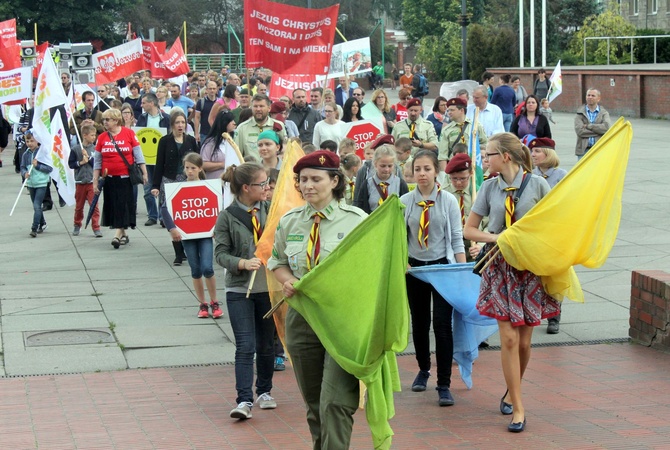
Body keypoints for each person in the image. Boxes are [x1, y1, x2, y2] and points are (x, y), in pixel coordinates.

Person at [267, 150, 367, 449]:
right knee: (314, 404)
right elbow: (277, 262)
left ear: (335, 180)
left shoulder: (357, 221)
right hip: (302, 318)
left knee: (335, 401)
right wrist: (289, 281)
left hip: (342, 320)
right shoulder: (291, 221)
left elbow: (370, 270)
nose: (307, 185)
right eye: (302, 180)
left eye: (315, 179)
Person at [463, 132, 558, 433]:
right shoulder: (489, 187)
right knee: (508, 339)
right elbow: (470, 230)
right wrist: (496, 238)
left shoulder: (538, 184)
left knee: (526, 341)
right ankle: (518, 406)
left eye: (489, 154)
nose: (484, 159)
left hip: (529, 269)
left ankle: (510, 389)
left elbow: (552, 226)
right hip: (499, 266)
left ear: (505, 156)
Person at [401, 150, 465, 406]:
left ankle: (444, 383)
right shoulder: (404, 201)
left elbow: (457, 237)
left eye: (427, 168)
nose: (422, 174)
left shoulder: (448, 200)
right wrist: (403, 261)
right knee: (419, 323)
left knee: (442, 325)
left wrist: (461, 272)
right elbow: (398, 237)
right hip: (415, 270)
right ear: (412, 172)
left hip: (442, 270)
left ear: (435, 171)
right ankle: (423, 368)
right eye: (417, 169)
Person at [214, 162, 276, 419]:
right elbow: (220, 253)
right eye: (262, 184)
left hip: (268, 286)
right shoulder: (227, 216)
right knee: (245, 345)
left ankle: (264, 391)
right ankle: (244, 400)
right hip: (240, 289)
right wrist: (241, 263)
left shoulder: (271, 211)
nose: (267, 187)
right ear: (246, 187)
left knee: (266, 344)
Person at [158, 152, 223, 319]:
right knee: (195, 269)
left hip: (205, 234)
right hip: (187, 235)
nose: (189, 171)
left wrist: (218, 227)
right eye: (187, 168)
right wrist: (172, 229)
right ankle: (202, 303)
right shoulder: (178, 187)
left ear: (200, 168)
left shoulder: (209, 186)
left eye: (193, 168)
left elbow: (217, 208)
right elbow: (165, 209)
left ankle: (214, 301)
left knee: (207, 267)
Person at [93, 108, 148, 249]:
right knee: (114, 206)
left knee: (123, 205)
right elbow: (97, 161)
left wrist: (144, 173)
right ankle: (123, 233)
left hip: (126, 177)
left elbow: (138, 155)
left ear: (116, 120)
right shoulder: (102, 137)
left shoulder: (129, 133)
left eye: (108, 119)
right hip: (109, 178)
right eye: (104, 120)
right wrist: (95, 182)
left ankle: (117, 235)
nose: (105, 122)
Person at [151, 109, 199, 265]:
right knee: (171, 216)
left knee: (187, 214)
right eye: (177, 122)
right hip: (169, 181)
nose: (180, 125)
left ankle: (188, 248)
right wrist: (155, 185)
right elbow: (159, 164)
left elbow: (198, 163)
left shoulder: (191, 141)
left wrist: (199, 181)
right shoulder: (164, 141)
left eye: (183, 122)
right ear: (172, 124)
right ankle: (179, 253)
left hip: (187, 181)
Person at [136, 93, 171, 226]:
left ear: (151, 103)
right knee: (147, 187)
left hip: (160, 158)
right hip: (146, 158)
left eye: (144, 103)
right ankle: (152, 215)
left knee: (162, 187)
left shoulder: (166, 118)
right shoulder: (142, 118)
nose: (142, 105)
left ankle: (163, 217)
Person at [353, 144, 409, 214]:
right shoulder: (367, 185)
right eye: (383, 166)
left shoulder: (400, 184)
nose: (386, 169)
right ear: (375, 164)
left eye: (390, 166)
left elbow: (406, 209)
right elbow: (361, 209)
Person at [68, 124, 102, 238]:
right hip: (80, 182)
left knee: (94, 206)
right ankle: (77, 224)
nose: (94, 137)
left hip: (92, 182)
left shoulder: (96, 149)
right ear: (85, 135)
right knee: (79, 206)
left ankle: (96, 227)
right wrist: (81, 162)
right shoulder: (76, 149)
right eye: (92, 135)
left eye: (95, 135)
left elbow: (96, 165)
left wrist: (89, 158)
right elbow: (71, 164)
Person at [438, 97, 488, 171]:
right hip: (455, 167)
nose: (449, 113)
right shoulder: (446, 130)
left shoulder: (476, 126)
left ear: (461, 110)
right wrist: (445, 175)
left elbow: (485, 144)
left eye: (452, 110)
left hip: (473, 166)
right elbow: (442, 156)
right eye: (448, 110)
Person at [21, 130, 53, 237]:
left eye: (32, 141)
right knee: (36, 206)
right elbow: (22, 167)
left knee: (37, 205)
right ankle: (42, 223)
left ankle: (34, 228)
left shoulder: (42, 153)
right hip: (31, 183)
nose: (29, 143)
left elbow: (49, 168)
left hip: (42, 183)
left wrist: (38, 166)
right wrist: (25, 173)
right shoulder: (26, 154)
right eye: (27, 141)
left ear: (37, 141)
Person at [574, 88, 611, 160]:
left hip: (599, 149)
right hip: (583, 150)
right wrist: (599, 132)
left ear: (598, 98)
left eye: (593, 96)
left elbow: (606, 128)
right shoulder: (579, 113)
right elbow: (580, 131)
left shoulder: (604, 113)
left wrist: (589, 126)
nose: (590, 97)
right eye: (588, 95)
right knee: (584, 171)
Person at [201, 111, 237, 180]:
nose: (234, 123)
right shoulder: (210, 143)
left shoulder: (233, 141)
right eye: (231, 121)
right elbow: (203, 164)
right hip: (214, 182)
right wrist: (221, 164)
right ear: (224, 123)